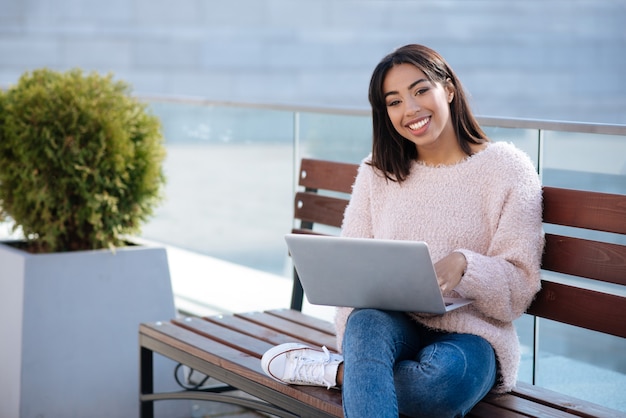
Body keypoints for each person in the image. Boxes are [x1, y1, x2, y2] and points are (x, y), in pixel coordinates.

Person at [261, 44, 544, 418]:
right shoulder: (378, 171)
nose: (410, 109)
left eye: (420, 90)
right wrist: (360, 340)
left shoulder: (507, 169)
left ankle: (342, 374)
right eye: (393, 101)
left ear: (449, 89)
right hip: (387, 327)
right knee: (364, 320)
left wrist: (465, 264)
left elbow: (519, 290)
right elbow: (352, 276)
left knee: (435, 390)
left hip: (472, 337)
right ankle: (362, 369)